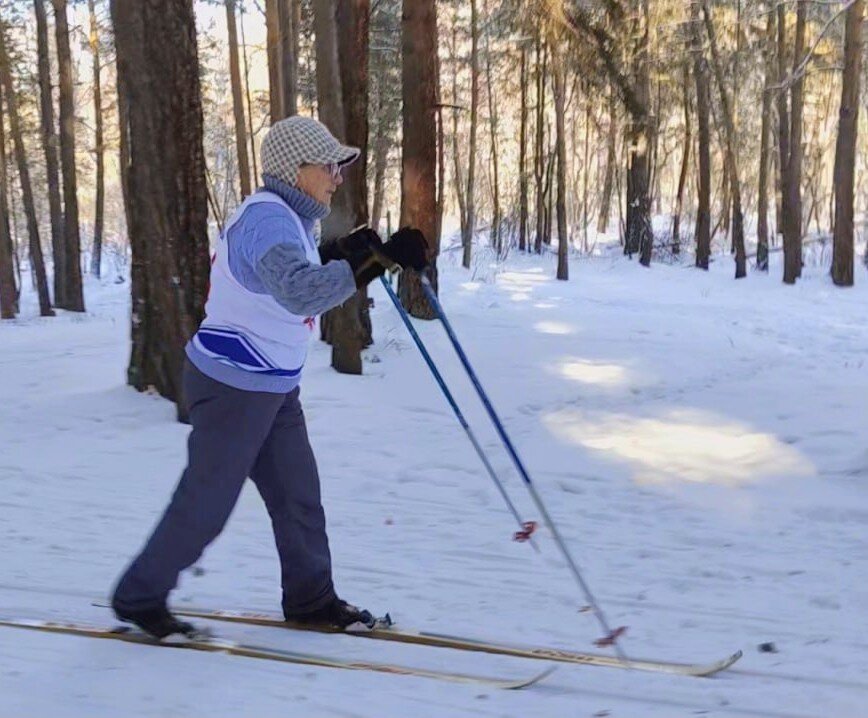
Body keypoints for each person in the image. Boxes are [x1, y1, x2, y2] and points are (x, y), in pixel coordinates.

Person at [111, 116, 428, 639]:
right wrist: (376, 261)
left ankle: (311, 599)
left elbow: (291, 273)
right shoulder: (268, 221)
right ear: (293, 169)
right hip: (234, 384)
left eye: (339, 165)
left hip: (272, 384)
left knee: (298, 495)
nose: (336, 175)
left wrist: (352, 251)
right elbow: (300, 291)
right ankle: (138, 598)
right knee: (207, 503)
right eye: (327, 165)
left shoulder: (291, 218)